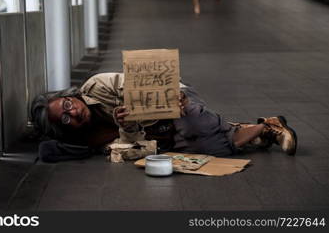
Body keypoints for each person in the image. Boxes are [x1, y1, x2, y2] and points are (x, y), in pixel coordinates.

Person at [31, 72, 297, 163]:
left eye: (68, 104)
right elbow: (133, 147)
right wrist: (127, 127)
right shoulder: (92, 138)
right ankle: (264, 127)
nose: (74, 112)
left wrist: (172, 97)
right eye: (65, 119)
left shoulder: (98, 85)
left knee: (192, 118)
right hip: (161, 133)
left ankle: (264, 128)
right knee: (208, 150)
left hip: (173, 98)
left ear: (72, 95)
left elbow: (142, 83)